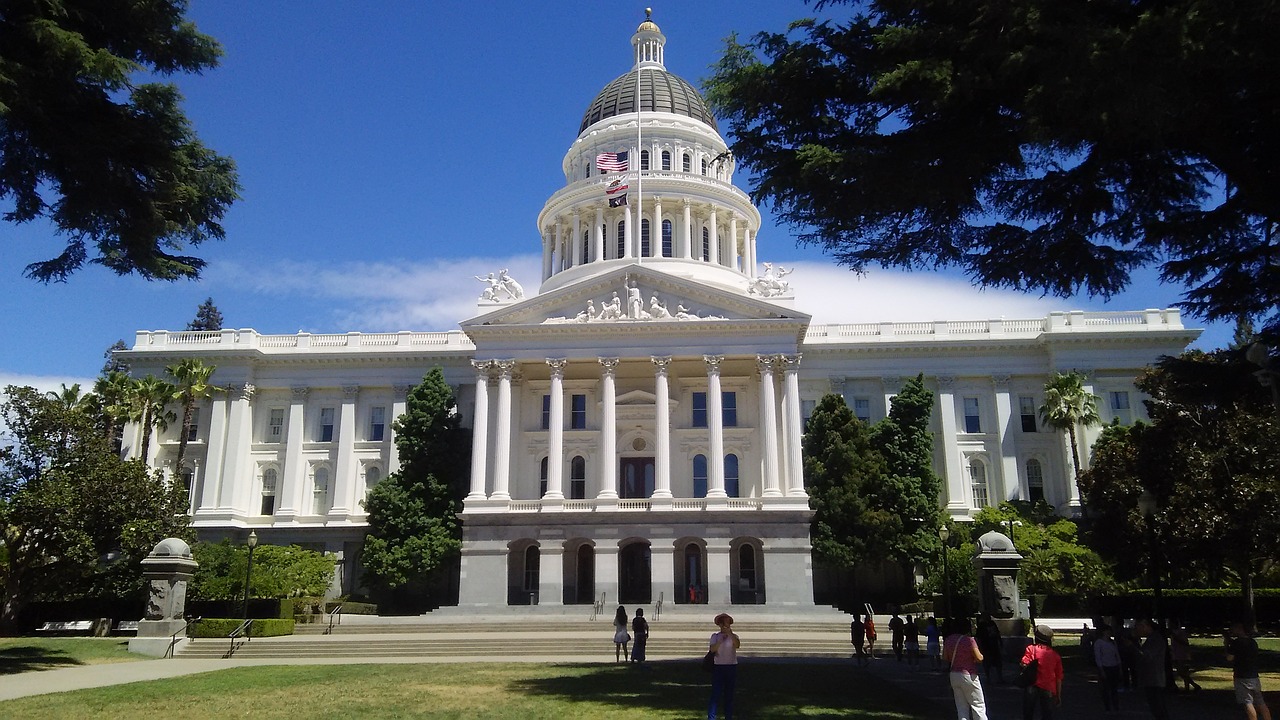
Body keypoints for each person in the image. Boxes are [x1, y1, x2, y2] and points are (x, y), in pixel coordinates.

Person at [943, 616, 988, 720]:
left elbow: (945, 657)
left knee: (961, 707)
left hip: (954, 674)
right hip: (968, 674)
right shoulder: (969, 640)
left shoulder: (948, 640)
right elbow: (979, 657)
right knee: (978, 705)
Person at [1227, 621, 1272, 720]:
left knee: (1247, 702)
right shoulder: (1252, 642)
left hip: (1242, 675)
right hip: (1254, 675)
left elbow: (1229, 658)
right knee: (1260, 702)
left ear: (1239, 630)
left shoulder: (1237, 643)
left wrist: (1227, 645)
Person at [1021, 624, 1064, 719]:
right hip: (1048, 687)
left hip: (1032, 685)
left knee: (1028, 713)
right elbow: (1059, 677)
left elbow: (1024, 663)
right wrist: (1058, 695)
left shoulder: (1031, 649)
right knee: (1047, 714)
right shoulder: (1055, 655)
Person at [1135, 619, 1170, 720]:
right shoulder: (1152, 639)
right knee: (1156, 706)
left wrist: (1133, 648)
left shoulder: (1155, 640)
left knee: (1157, 706)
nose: (1138, 630)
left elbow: (1147, 655)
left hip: (1154, 677)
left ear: (1146, 626)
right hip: (1152, 677)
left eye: (1139, 627)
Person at [708, 613, 740, 720]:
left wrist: (730, 634)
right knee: (715, 694)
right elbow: (712, 649)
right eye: (724, 623)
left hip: (731, 667)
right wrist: (720, 641)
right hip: (719, 667)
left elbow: (737, 645)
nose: (726, 625)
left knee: (729, 695)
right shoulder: (715, 636)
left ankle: (728, 717)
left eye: (728, 623)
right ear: (720, 624)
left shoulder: (734, 636)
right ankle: (711, 717)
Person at [1094, 624, 1123, 712]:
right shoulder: (1099, 643)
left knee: (1114, 689)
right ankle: (1108, 707)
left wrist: (1120, 667)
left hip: (1114, 666)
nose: (1109, 633)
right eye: (1107, 631)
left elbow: (1117, 655)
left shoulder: (1112, 642)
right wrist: (1101, 669)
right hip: (1105, 667)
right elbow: (1098, 657)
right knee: (1105, 689)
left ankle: (1116, 706)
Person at [1170, 626, 1201, 691]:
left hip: (1182, 653)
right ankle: (1188, 688)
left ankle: (1194, 685)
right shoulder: (1174, 631)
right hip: (1176, 653)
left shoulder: (1181, 632)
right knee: (1183, 672)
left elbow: (1184, 642)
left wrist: (1175, 637)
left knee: (1181, 672)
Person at [976, 614, 1004, 685]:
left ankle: (1000, 677)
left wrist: (1000, 642)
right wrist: (979, 646)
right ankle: (988, 678)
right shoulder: (981, 625)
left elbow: (997, 633)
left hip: (994, 645)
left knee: (998, 662)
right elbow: (978, 637)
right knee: (987, 663)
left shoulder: (992, 623)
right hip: (986, 646)